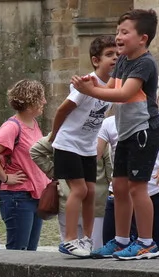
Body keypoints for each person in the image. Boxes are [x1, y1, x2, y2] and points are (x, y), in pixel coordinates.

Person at [73, 9, 159, 260]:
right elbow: (112, 87)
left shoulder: (145, 63)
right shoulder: (123, 60)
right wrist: (91, 84)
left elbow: (123, 94)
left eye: (124, 32)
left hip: (144, 132)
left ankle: (146, 243)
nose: (118, 37)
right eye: (117, 32)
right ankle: (121, 240)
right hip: (126, 132)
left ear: (143, 38)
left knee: (137, 188)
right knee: (120, 188)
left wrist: (90, 91)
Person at [49, 35, 117, 257]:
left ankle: (87, 239)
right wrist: (55, 135)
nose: (115, 58)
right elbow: (62, 109)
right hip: (68, 143)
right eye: (109, 55)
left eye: (117, 54)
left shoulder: (112, 87)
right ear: (96, 60)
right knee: (79, 190)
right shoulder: (87, 83)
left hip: (87, 147)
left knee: (91, 193)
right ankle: (69, 239)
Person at [94, 105, 159, 258]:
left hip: (155, 192)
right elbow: (95, 153)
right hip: (120, 195)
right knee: (113, 257)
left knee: (157, 256)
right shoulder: (110, 122)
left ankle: (145, 243)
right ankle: (121, 241)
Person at [0, 80, 50, 251]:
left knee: (30, 251)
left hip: (35, 196)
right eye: (41, 98)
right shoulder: (12, 127)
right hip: (18, 197)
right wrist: (5, 177)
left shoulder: (34, 124)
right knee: (18, 250)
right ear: (30, 103)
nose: (44, 102)